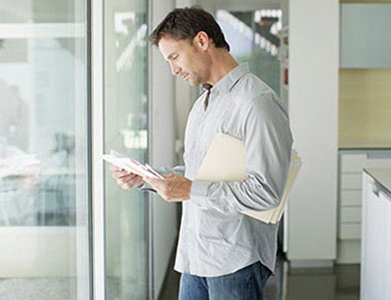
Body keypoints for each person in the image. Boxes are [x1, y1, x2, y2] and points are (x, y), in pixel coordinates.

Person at [110, 6, 293, 300]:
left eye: (175, 57)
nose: (173, 70)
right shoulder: (204, 103)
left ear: (202, 41)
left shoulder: (257, 103)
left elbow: (267, 191)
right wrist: (147, 178)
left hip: (236, 260)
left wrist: (192, 190)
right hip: (195, 254)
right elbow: (198, 174)